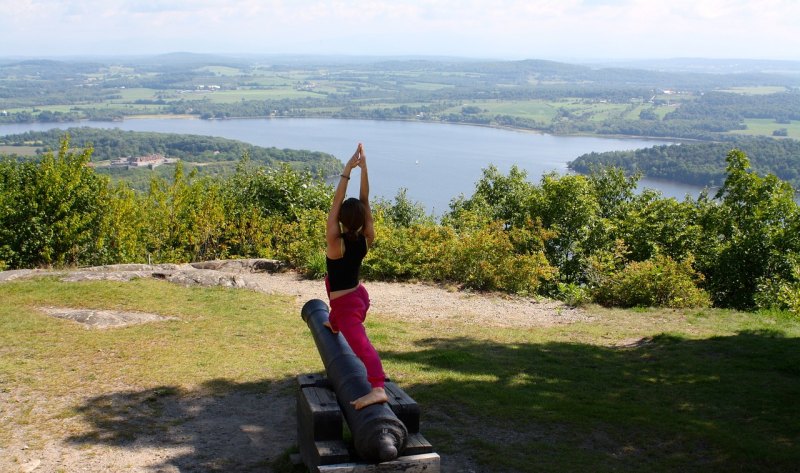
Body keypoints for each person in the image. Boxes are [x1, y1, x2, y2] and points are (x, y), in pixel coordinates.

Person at [323, 142, 389, 410]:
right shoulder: (366, 238)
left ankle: (378, 388)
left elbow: (337, 202)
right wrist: (365, 168)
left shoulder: (334, 242)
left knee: (363, 347)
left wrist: (347, 170)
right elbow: (365, 200)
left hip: (348, 305)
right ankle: (333, 322)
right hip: (358, 296)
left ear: (340, 219)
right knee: (331, 287)